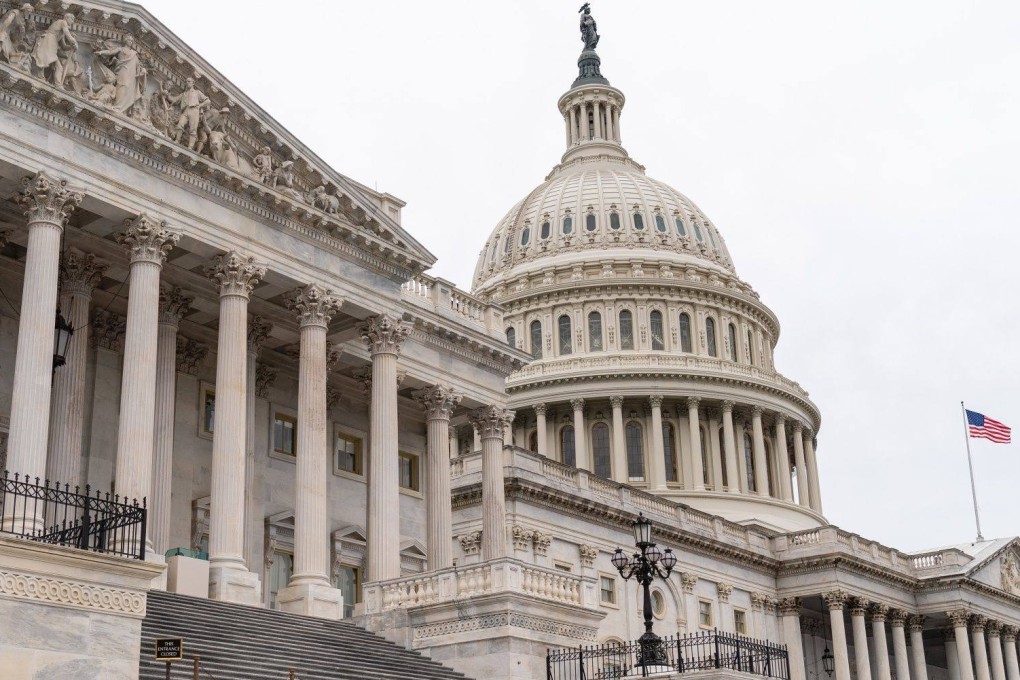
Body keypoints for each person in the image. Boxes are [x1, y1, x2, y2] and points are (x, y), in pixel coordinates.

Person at [94, 35, 143, 113]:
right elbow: (110, 52)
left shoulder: (134, 54)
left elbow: (138, 67)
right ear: (125, 40)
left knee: (127, 87)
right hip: (122, 70)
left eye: (131, 41)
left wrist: (142, 71)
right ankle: (117, 106)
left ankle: (122, 108)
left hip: (132, 75)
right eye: (129, 40)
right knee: (122, 85)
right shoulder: (121, 49)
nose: (130, 42)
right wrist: (101, 52)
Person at [31, 12, 77, 87]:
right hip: (48, 40)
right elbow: (67, 34)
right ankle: (40, 77)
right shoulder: (63, 22)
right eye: (72, 19)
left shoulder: (61, 32)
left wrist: (71, 47)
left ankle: (58, 84)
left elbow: (64, 46)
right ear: (67, 18)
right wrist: (73, 41)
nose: (73, 21)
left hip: (53, 43)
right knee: (44, 59)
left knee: (58, 66)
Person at [170, 77, 210, 151]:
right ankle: (177, 140)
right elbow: (174, 100)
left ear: (193, 83)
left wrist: (199, 106)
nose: (187, 83)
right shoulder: (183, 94)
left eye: (189, 81)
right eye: (186, 81)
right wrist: (166, 94)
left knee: (193, 129)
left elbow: (208, 101)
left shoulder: (197, 92)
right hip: (186, 110)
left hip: (194, 110)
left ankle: (190, 147)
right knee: (180, 124)